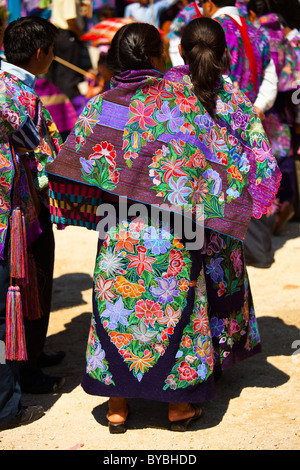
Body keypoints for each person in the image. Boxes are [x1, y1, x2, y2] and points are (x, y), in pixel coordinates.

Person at [46, 21, 280, 433]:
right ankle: (177, 407)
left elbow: (71, 161)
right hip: (174, 232)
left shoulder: (103, 107)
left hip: (119, 232)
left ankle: (117, 408)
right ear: (157, 58)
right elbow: (220, 160)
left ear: (117, 59)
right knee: (176, 309)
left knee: (116, 312)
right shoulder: (181, 104)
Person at [0, 16, 66, 411]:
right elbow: (40, 149)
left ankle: (32, 358)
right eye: (53, 51)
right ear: (41, 54)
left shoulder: (12, 85)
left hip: (16, 202)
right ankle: (26, 370)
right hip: (19, 207)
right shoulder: (15, 93)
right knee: (30, 281)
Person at [247, 0, 300, 234]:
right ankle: (287, 201)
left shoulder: (254, 32)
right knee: (284, 150)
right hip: (285, 100)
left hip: (258, 98)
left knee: (262, 154)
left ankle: (269, 209)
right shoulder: (284, 34)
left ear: (251, 11)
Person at [49, 0, 92, 114]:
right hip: (67, 35)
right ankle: (70, 110)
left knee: (63, 73)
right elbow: (70, 19)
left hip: (61, 35)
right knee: (69, 75)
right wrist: (80, 34)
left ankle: (63, 107)